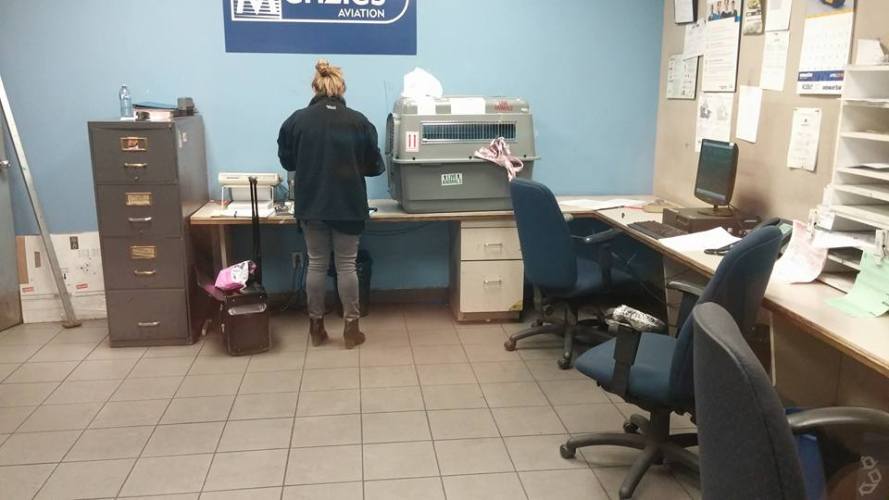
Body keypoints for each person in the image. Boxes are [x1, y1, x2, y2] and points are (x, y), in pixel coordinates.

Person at [277, 59, 385, 349]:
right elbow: (375, 166)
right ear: (341, 89)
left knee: (316, 263)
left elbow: (287, 161)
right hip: (348, 204)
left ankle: (316, 328)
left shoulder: (296, 120)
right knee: (347, 265)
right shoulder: (359, 121)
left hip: (311, 203)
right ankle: (351, 329)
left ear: (315, 87)